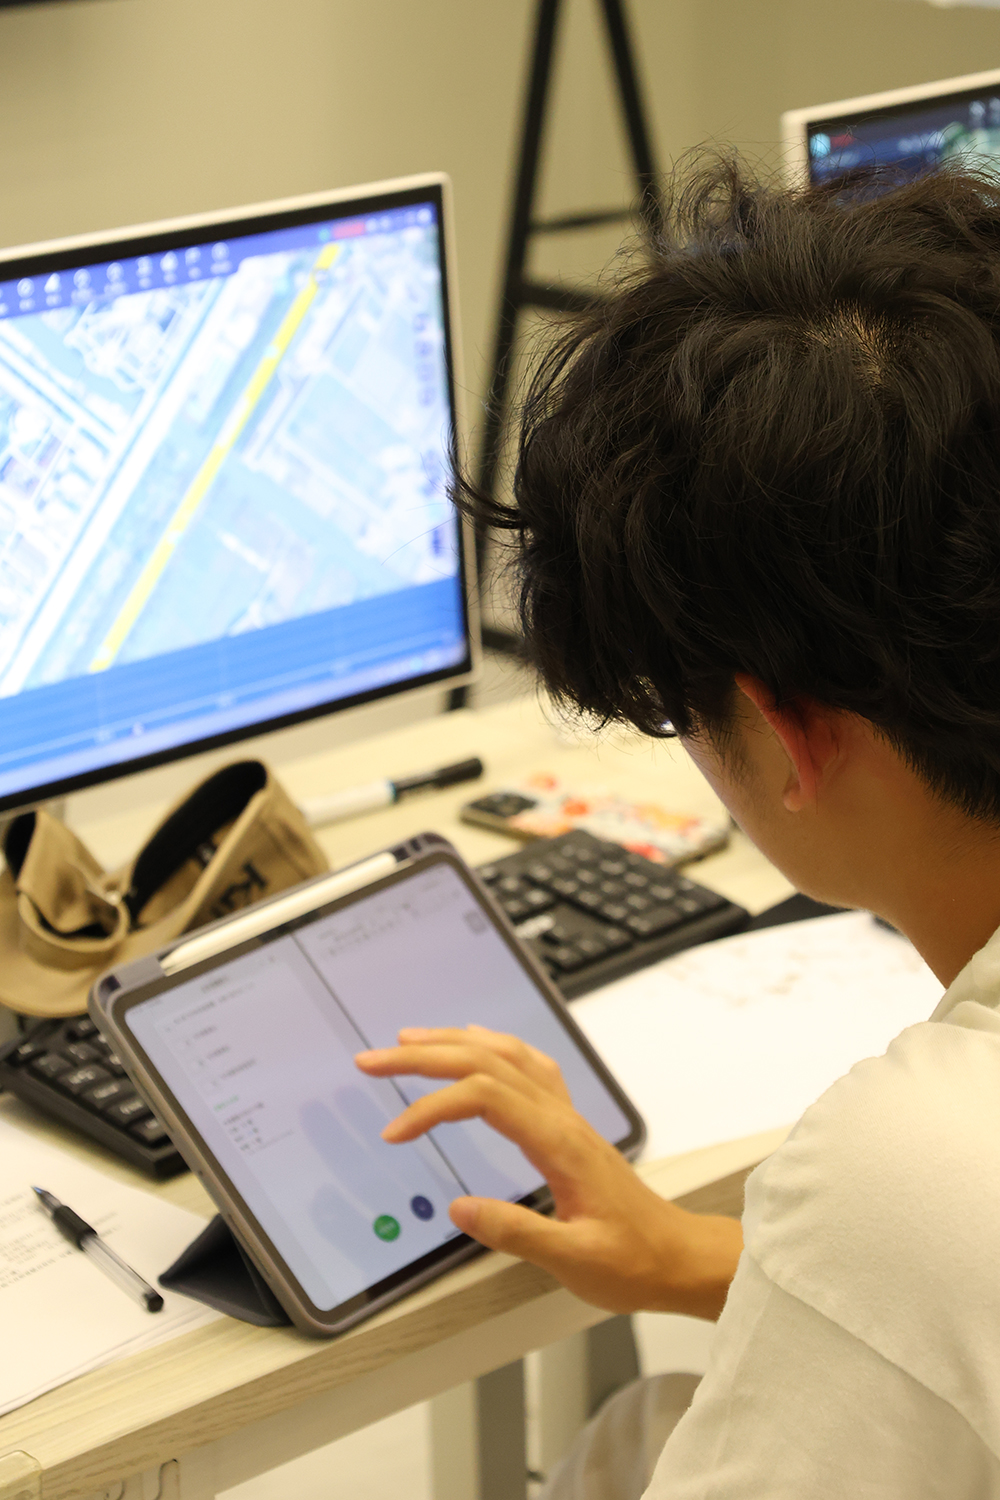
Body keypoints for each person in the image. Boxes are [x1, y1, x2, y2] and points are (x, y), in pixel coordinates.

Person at [356, 158, 1000, 1495]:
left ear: (785, 732)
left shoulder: (913, 1170)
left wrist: (829, 1255)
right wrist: (720, 1261)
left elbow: (938, 1249)